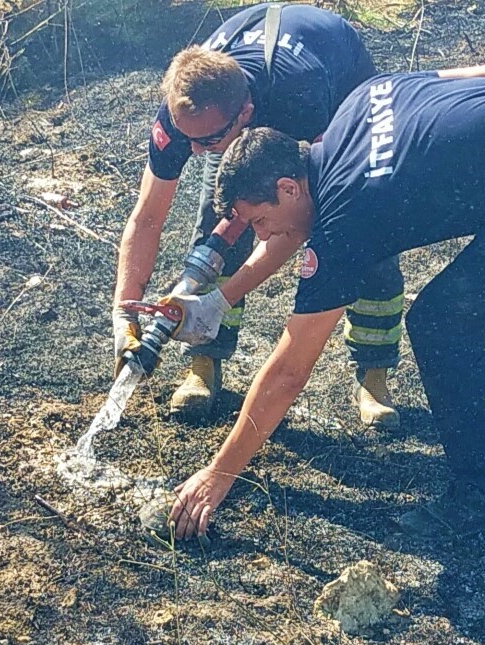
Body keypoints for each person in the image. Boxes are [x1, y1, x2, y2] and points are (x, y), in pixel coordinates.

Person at [160, 69, 485, 541]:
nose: (264, 237)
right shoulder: (359, 102)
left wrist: (219, 474)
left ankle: (484, 493)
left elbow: (290, 371)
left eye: (261, 221)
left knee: (443, 323)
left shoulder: (347, 217)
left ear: (288, 188)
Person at [113, 3, 404, 428]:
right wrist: (124, 312)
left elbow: (296, 222)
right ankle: (203, 362)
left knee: (362, 223)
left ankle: (374, 374)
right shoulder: (189, 118)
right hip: (250, 90)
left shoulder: (300, 97)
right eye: (187, 139)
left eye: (207, 140)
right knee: (214, 221)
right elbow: (147, 218)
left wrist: (218, 300)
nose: (194, 151)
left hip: (338, 78)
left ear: (245, 114)